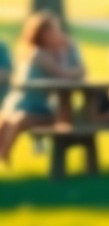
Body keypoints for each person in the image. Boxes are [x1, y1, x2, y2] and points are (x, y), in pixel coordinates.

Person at [0, 12, 84, 167]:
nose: (59, 34)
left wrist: (68, 52)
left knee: (16, 119)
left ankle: (4, 155)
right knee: (13, 119)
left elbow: (69, 74)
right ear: (44, 35)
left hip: (33, 107)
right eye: (55, 30)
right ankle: (4, 155)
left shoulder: (48, 53)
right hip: (29, 106)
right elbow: (64, 74)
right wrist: (76, 68)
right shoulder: (40, 54)